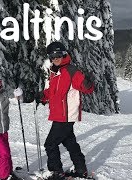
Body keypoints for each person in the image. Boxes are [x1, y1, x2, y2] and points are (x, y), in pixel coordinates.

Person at [37, 42, 94, 179]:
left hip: (66, 115)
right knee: (70, 142)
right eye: (52, 56)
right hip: (59, 114)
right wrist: (42, 96)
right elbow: (53, 91)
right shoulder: (56, 71)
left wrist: (89, 81)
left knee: (50, 144)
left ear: (63, 54)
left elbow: (86, 89)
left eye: (58, 55)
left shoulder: (71, 70)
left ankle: (56, 172)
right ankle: (81, 170)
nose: (55, 58)